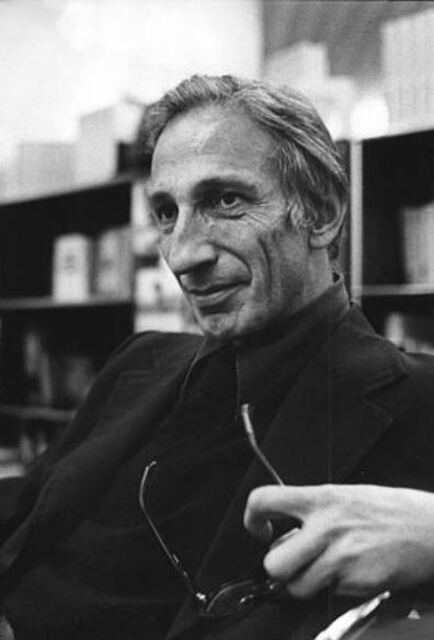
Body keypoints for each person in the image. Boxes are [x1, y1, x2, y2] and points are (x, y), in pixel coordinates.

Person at [1, 74, 434, 640]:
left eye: (225, 200)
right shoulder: (142, 361)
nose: (182, 255)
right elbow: (25, 509)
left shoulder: (415, 400)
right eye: (165, 212)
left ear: (322, 213)